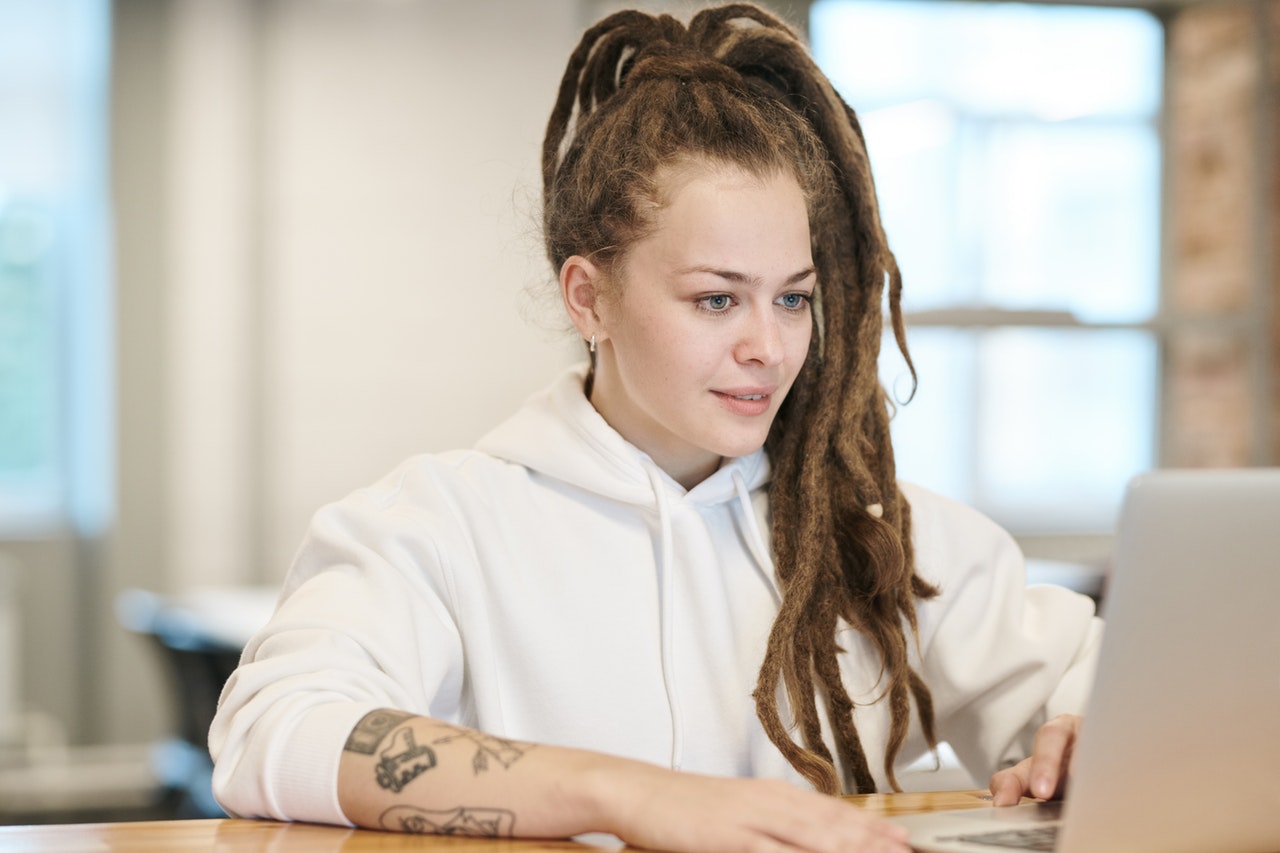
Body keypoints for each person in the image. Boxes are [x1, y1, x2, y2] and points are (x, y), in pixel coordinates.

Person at [209, 5, 1101, 852]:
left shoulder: (874, 535)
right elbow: (275, 730)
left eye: (792, 298)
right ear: (588, 296)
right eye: (717, 298)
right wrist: (627, 792)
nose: (769, 346)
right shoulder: (442, 523)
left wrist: (1086, 721)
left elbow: (1107, 671)